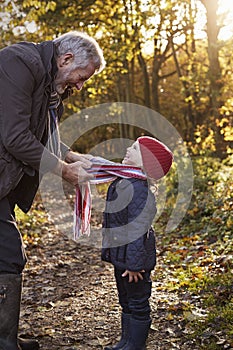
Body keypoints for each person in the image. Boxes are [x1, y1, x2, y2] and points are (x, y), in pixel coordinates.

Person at [0, 31, 105, 349]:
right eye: (81, 77)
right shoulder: (19, 63)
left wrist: (77, 157)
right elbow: (15, 137)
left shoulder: (51, 85)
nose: (80, 85)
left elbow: (47, 136)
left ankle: (5, 338)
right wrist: (63, 170)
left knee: (6, 254)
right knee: (7, 253)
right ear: (66, 59)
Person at [101, 136, 173, 350]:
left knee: (138, 302)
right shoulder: (126, 180)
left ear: (146, 162)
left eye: (134, 148)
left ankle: (135, 345)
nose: (127, 149)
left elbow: (137, 229)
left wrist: (134, 265)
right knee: (126, 300)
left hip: (135, 261)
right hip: (122, 256)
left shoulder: (139, 190)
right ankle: (125, 341)